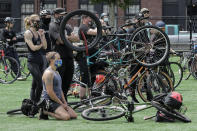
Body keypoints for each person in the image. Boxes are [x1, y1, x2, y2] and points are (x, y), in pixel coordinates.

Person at [49, 8, 78, 101]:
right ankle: (56, 102)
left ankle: (64, 101)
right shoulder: (53, 26)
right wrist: (69, 38)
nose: (62, 16)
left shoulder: (67, 26)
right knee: (59, 79)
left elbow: (76, 39)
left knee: (68, 80)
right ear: (55, 15)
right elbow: (61, 41)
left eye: (64, 14)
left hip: (69, 56)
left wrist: (66, 38)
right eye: (60, 14)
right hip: (58, 58)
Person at [77, 15, 107, 100]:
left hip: (93, 53)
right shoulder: (83, 27)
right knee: (85, 76)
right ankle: (82, 98)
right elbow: (94, 32)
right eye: (89, 18)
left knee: (93, 75)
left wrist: (103, 25)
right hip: (85, 54)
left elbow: (105, 33)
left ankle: (90, 97)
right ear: (84, 19)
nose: (91, 19)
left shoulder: (92, 27)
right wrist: (99, 24)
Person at [39, 51, 77, 120]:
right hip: (49, 101)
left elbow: (60, 89)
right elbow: (50, 92)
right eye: (58, 59)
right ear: (51, 60)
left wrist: (65, 102)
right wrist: (61, 104)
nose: (60, 60)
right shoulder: (48, 73)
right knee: (66, 117)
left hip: (57, 100)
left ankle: (55, 109)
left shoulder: (56, 72)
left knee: (73, 115)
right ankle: (45, 111)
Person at [24, 14, 47, 105]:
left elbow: (45, 46)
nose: (38, 23)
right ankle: (36, 103)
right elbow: (33, 48)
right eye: (37, 21)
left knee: (34, 84)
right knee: (40, 84)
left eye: (39, 21)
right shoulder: (28, 33)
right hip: (32, 62)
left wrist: (42, 36)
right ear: (31, 22)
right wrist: (40, 45)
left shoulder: (39, 32)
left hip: (40, 61)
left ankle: (32, 103)